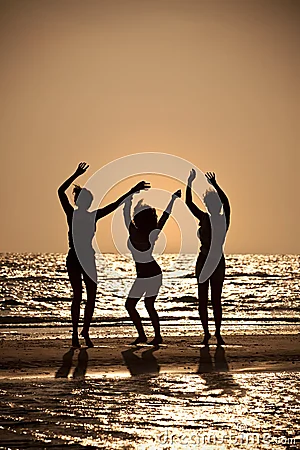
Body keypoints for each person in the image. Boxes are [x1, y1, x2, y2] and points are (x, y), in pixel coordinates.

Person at [58, 162, 149, 348]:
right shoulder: (72, 214)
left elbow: (115, 204)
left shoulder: (93, 215)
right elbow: (60, 191)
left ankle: (85, 331)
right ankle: (76, 334)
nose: (87, 202)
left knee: (90, 296)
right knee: (79, 296)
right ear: (79, 201)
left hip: (86, 259)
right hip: (75, 258)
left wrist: (132, 190)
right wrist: (75, 174)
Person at [123, 189, 181, 346]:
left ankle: (153, 336)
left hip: (150, 274)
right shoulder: (151, 233)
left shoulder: (137, 232)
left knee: (140, 305)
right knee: (135, 305)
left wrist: (129, 198)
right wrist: (173, 199)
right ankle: (144, 336)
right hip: (149, 274)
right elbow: (164, 217)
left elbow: (125, 215)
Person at [186, 170, 230, 345]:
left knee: (215, 299)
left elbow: (226, 202)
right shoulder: (204, 217)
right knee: (203, 299)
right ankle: (207, 333)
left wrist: (216, 185)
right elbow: (188, 202)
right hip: (204, 260)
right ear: (208, 205)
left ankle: (217, 333)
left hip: (216, 261)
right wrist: (189, 183)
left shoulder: (223, 219)